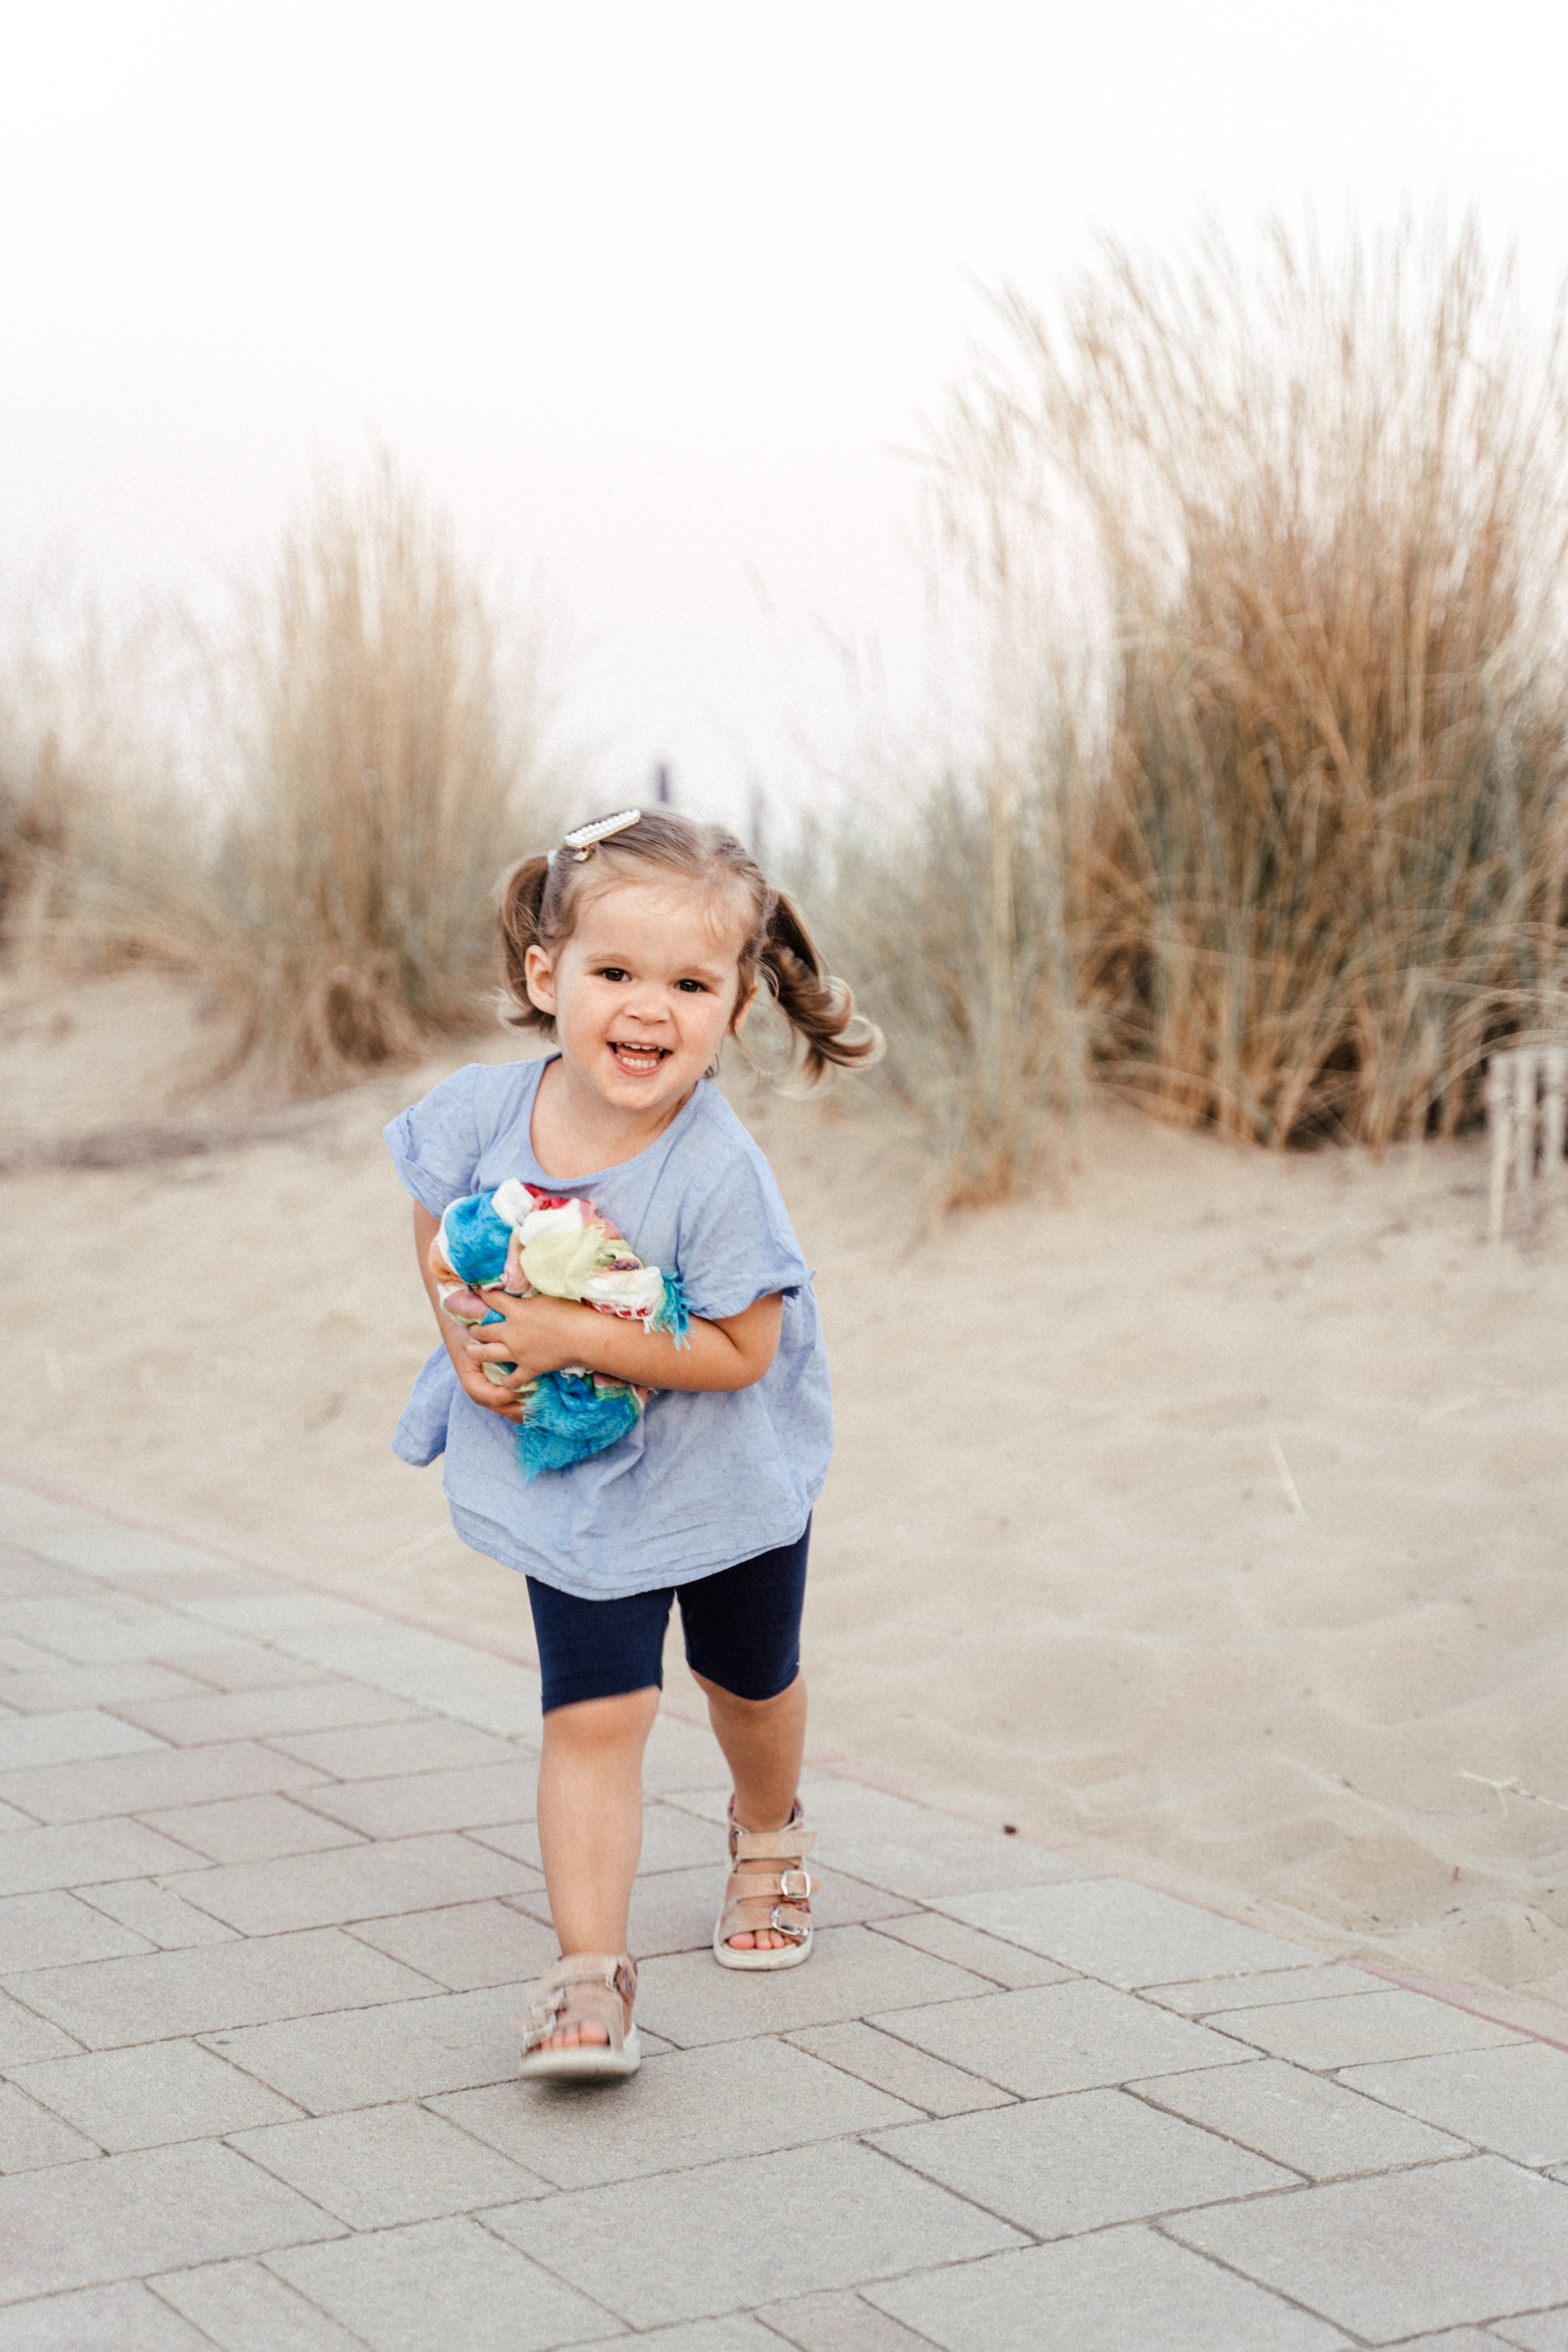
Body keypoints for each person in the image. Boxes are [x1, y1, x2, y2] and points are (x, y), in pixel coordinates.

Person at [384, 806, 880, 2079]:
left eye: (690, 985)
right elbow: (434, 1215)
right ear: (547, 976)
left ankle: (767, 1829)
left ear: (737, 1004)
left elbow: (743, 1349)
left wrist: (569, 1331)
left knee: (745, 1682)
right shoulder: (484, 1111)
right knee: (596, 1711)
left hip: (723, 1478)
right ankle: (587, 1977)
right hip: (577, 1487)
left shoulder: (717, 1172)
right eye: (613, 972)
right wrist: (462, 1339)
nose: (648, 1008)